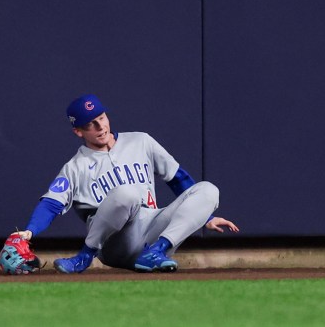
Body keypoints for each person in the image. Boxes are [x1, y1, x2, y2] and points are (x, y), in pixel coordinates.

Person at [12, 94, 239, 273]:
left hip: (152, 229)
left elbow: (177, 178)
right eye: (90, 124)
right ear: (78, 131)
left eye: (101, 117)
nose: (100, 126)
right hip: (113, 242)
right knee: (127, 194)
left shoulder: (141, 141)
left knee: (209, 190)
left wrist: (205, 216)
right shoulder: (75, 167)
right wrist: (30, 231)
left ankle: (157, 252)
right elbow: (51, 203)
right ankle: (84, 256)